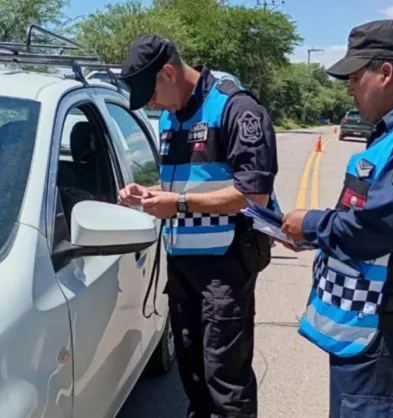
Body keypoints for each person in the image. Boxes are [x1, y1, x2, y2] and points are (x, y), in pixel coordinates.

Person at [280, 19, 393, 417]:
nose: (349, 88)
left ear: (386, 73)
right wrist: (315, 236)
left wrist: (312, 225)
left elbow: (383, 226)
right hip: (370, 332)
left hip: (388, 338)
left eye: (355, 77)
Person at [117, 34, 278, 418]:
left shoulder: (235, 108)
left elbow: (254, 194)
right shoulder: (171, 115)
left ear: (168, 73)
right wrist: (150, 193)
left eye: (149, 95)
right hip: (183, 265)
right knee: (192, 373)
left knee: (225, 380)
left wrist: (179, 204)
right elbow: (186, 185)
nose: (150, 106)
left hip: (225, 266)